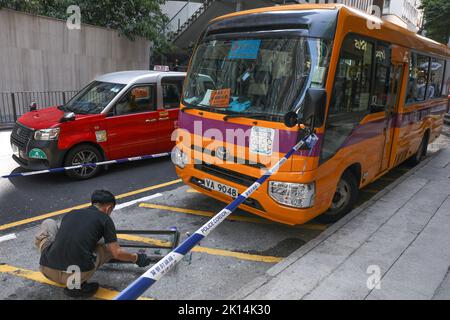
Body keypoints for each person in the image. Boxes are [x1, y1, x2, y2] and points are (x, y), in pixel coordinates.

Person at [35, 190, 151, 298]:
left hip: (46, 269)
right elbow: (116, 253)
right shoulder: (105, 219)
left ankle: (58, 261)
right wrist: (136, 258)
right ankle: (77, 287)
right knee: (106, 249)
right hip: (74, 275)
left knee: (49, 223)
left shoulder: (72, 213)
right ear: (108, 208)